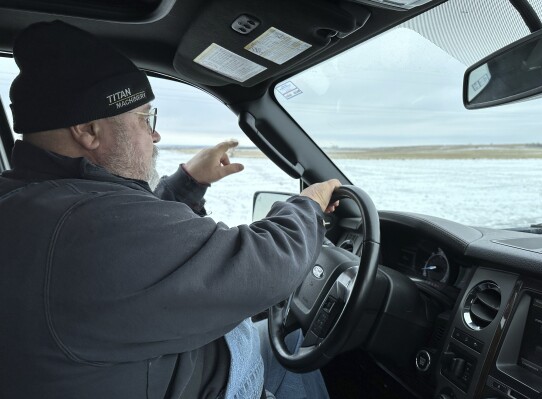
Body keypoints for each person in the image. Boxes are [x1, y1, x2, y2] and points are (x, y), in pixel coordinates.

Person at [0, 20, 340, 399]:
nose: (155, 134)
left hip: (165, 365)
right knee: (298, 349)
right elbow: (266, 266)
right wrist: (309, 205)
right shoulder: (83, 225)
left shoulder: (38, 203)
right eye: (145, 118)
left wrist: (189, 182)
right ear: (89, 131)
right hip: (209, 381)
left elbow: (132, 254)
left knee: (290, 343)